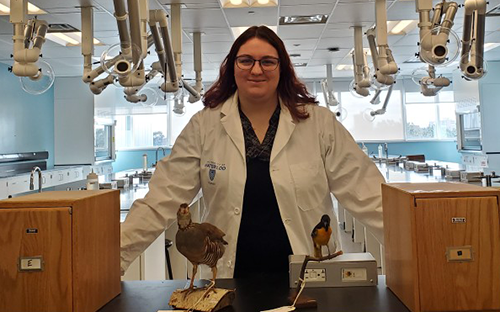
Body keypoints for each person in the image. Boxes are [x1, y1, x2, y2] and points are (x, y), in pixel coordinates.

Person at [120, 25, 385, 279]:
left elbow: (369, 195)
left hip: (308, 275)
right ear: (232, 67)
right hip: (228, 277)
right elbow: (162, 200)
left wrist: (417, 248)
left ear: (282, 68)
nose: (256, 70)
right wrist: (113, 258)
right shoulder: (204, 126)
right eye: (246, 60)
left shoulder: (319, 123)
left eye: (268, 61)